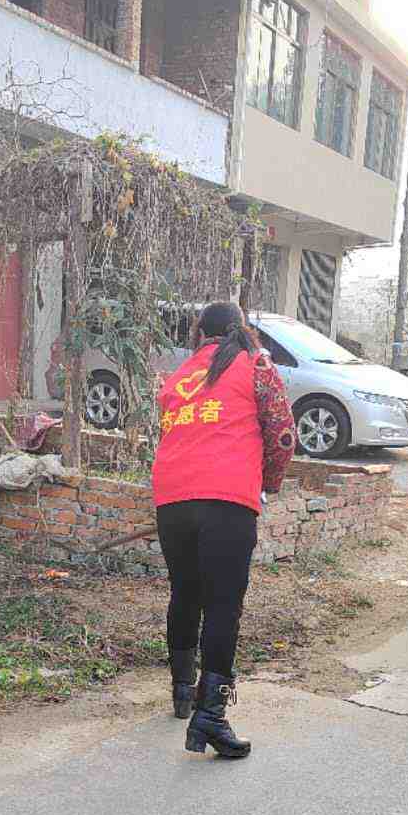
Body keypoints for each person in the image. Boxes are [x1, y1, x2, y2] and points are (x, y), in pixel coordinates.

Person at [151, 301, 296, 759]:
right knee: (222, 605)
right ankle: (211, 716)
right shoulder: (256, 364)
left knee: (185, 592)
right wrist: (268, 482)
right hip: (227, 498)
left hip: (172, 497)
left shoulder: (178, 376)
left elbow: (174, 435)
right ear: (242, 329)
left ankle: (182, 690)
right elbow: (283, 434)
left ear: (200, 332)